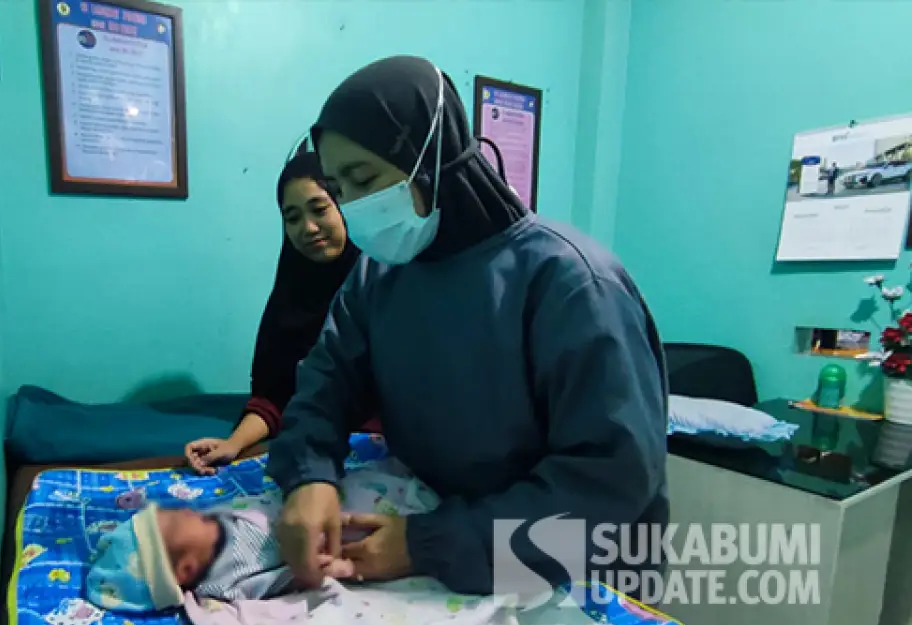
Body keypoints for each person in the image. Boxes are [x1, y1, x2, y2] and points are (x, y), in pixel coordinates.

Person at [266, 56, 669, 597]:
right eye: (340, 188)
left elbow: (609, 486)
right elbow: (325, 382)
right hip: (441, 532)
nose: (354, 208)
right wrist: (309, 475)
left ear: (431, 161)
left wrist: (427, 543)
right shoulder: (381, 273)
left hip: (570, 566)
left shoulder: (571, 284)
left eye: (364, 180)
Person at [185, 153, 375, 475]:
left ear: (344, 206)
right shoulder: (292, 297)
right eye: (293, 217)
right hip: (319, 453)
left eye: (319, 209)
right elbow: (275, 395)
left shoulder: (387, 283)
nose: (308, 228)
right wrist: (232, 443)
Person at [85, 460, 437, 610]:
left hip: (323, 497)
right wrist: (338, 568)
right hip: (339, 535)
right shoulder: (228, 579)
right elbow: (293, 579)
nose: (182, 510)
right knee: (386, 515)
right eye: (175, 522)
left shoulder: (208, 526)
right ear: (188, 569)